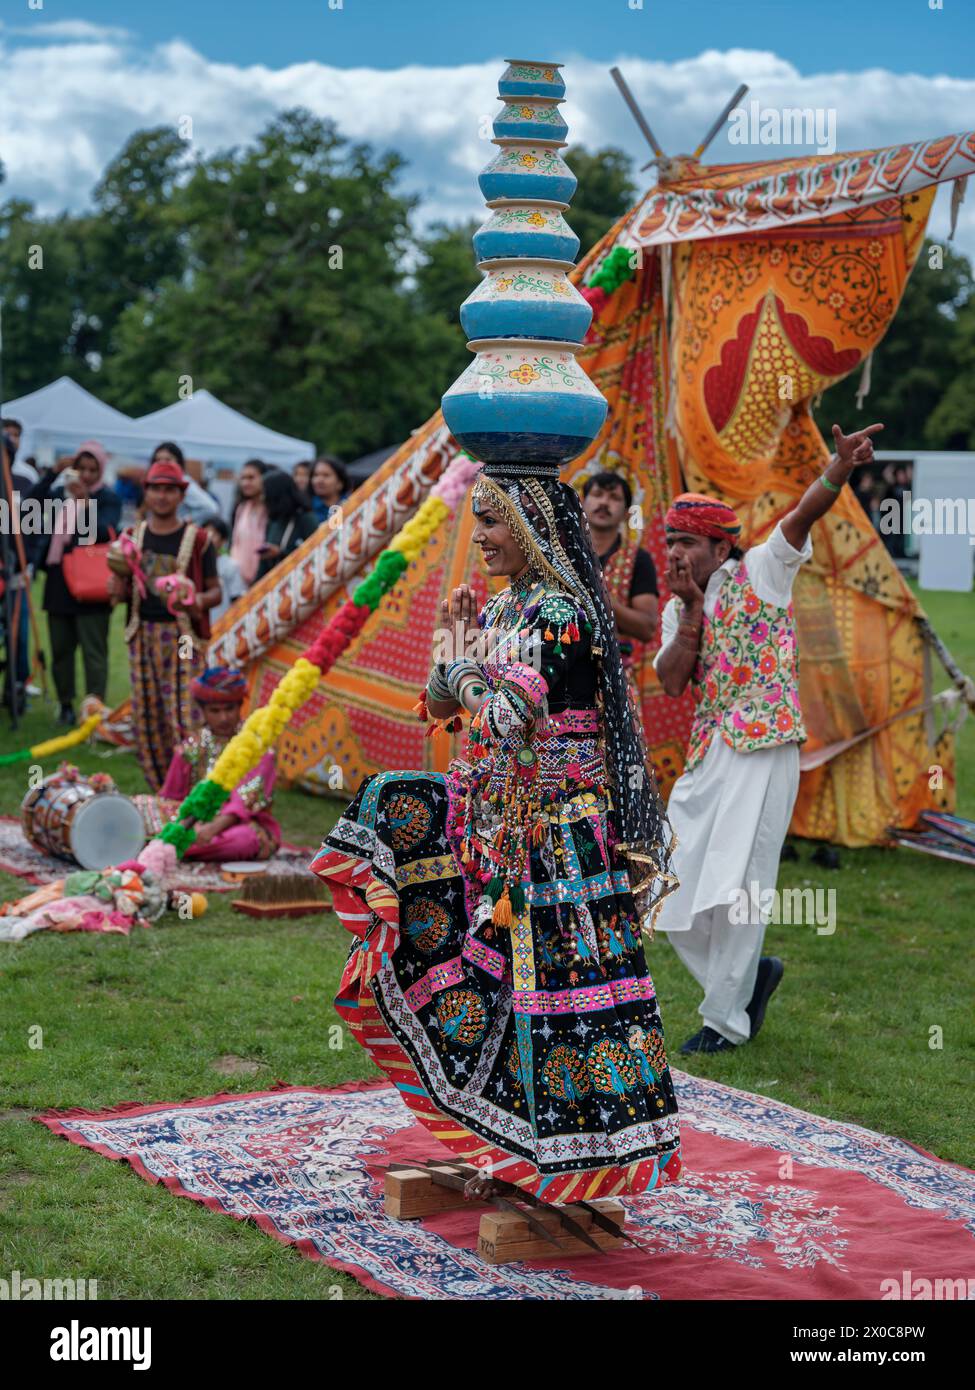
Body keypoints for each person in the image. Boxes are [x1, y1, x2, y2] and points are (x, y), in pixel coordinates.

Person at [311, 457, 681, 1202]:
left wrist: (467, 672)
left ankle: (574, 1162)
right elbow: (449, 707)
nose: (476, 535)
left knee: (555, 1003)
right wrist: (454, 661)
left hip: (555, 833)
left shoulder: (559, 614)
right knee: (396, 810)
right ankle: (501, 1136)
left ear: (530, 527)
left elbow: (511, 718)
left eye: (489, 521)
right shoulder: (505, 609)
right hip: (498, 827)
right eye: (476, 518)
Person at [654, 421, 884, 1055]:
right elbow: (673, 683)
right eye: (669, 541)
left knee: (738, 886)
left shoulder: (762, 568)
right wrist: (693, 613)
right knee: (669, 883)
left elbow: (803, 515)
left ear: (720, 548)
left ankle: (724, 1021)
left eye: (687, 543)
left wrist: (838, 469)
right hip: (709, 754)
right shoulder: (679, 607)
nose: (674, 553)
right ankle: (749, 979)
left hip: (766, 745)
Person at [107, 456, 221, 792]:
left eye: (169, 490)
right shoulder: (132, 537)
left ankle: (197, 793)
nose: (162, 497)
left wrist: (196, 599)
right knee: (148, 721)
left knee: (186, 719)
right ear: (146, 493)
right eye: (156, 489)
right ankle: (163, 793)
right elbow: (119, 593)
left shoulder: (198, 539)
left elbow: (216, 591)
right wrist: (116, 585)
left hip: (182, 638)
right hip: (142, 635)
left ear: (181, 495)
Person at [133, 667, 281, 860]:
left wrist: (212, 828)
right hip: (193, 822)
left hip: (238, 825)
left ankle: (164, 845)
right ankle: (175, 844)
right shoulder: (190, 748)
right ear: (202, 711)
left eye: (230, 709)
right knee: (140, 805)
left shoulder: (258, 747)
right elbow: (169, 798)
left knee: (243, 840)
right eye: (215, 711)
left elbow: (245, 802)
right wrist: (189, 824)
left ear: (240, 707)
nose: (224, 718)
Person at [28, 441, 121, 724]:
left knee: (94, 651)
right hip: (59, 581)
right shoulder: (59, 494)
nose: (88, 476)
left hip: (91, 583)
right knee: (60, 649)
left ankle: (94, 709)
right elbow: (27, 507)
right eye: (82, 469)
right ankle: (66, 704)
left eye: (94, 470)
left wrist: (84, 504)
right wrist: (51, 473)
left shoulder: (107, 498)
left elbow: (105, 533)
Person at [581, 470, 659, 726]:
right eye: (597, 494)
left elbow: (647, 627)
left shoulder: (638, 560)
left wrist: (604, 600)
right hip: (559, 672)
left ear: (627, 513)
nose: (604, 502)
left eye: (614, 497)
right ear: (582, 503)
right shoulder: (562, 554)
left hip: (616, 679)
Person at [255, 469, 317, 580]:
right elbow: (263, 563)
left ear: (276, 494)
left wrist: (281, 553)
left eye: (264, 493)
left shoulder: (305, 519)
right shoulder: (274, 521)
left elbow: (315, 554)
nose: (262, 498)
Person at [230, 459, 269, 585]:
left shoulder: (270, 510)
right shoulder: (241, 509)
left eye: (251, 478)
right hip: (239, 582)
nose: (246, 483)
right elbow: (236, 544)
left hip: (265, 580)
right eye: (243, 478)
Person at [204, 515, 245, 624]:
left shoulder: (230, 565)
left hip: (221, 623)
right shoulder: (194, 563)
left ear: (223, 541)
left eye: (214, 534)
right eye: (205, 532)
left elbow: (237, 598)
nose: (209, 537)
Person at [309, 455, 348, 524]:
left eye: (326, 475)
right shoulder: (307, 508)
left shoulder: (352, 505)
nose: (319, 480)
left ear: (340, 482)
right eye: (316, 475)